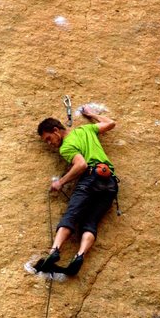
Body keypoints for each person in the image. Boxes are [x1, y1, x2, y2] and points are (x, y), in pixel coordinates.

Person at [31, 106, 118, 277]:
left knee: (71, 216)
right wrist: (91, 114)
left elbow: (81, 165)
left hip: (90, 178)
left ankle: (54, 251)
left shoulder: (66, 147)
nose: (50, 143)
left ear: (56, 130)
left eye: (49, 138)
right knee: (91, 222)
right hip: (110, 183)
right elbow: (111, 123)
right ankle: (79, 256)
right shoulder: (86, 129)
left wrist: (60, 183)